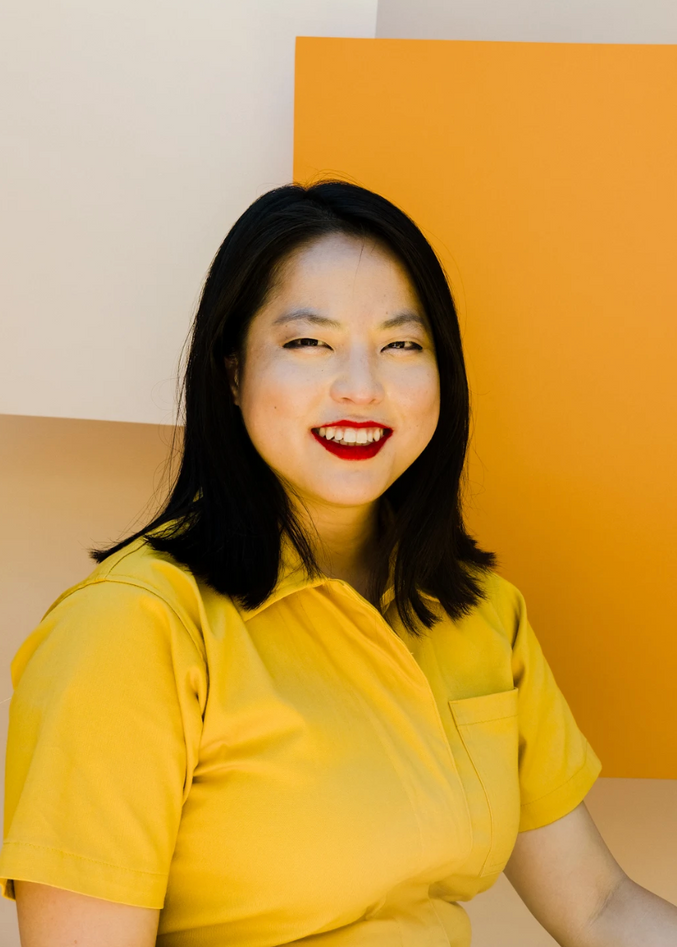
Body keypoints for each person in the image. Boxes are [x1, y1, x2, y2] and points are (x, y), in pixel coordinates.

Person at [1, 181, 675, 947]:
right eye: (307, 343)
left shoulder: (482, 613)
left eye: (401, 345)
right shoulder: (130, 628)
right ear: (231, 372)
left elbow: (598, 907)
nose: (361, 388)